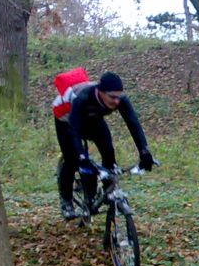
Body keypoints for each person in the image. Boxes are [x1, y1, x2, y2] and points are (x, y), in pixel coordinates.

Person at [55, 71, 155, 220]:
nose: (116, 101)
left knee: (108, 150)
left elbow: (133, 123)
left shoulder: (120, 99)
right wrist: (81, 156)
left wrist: (144, 151)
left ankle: (108, 190)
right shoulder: (82, 98)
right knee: (72, 159)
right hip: (66, 119)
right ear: (100, 92)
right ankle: (66, 202)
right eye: (112, 97)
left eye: (119, 97)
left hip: (93, 117)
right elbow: (74, 130)